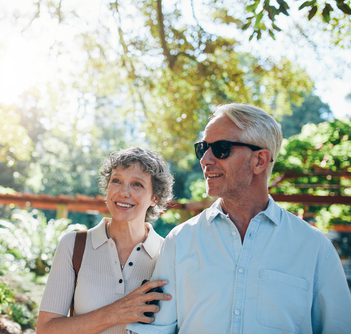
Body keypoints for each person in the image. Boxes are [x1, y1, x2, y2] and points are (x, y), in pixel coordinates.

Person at [127, 103, 351, 334]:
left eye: (221, 148)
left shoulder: (315, 249)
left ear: (260, 161)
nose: (205, 159)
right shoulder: (179, 241)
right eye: (202, 148)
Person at [37, 147, 174, 334]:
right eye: (116, 181)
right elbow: (45, 329)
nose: (123, 192)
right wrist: (115, 313)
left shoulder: (169, 253)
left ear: (154, 198)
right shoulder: (73, 246)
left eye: (137, 184)